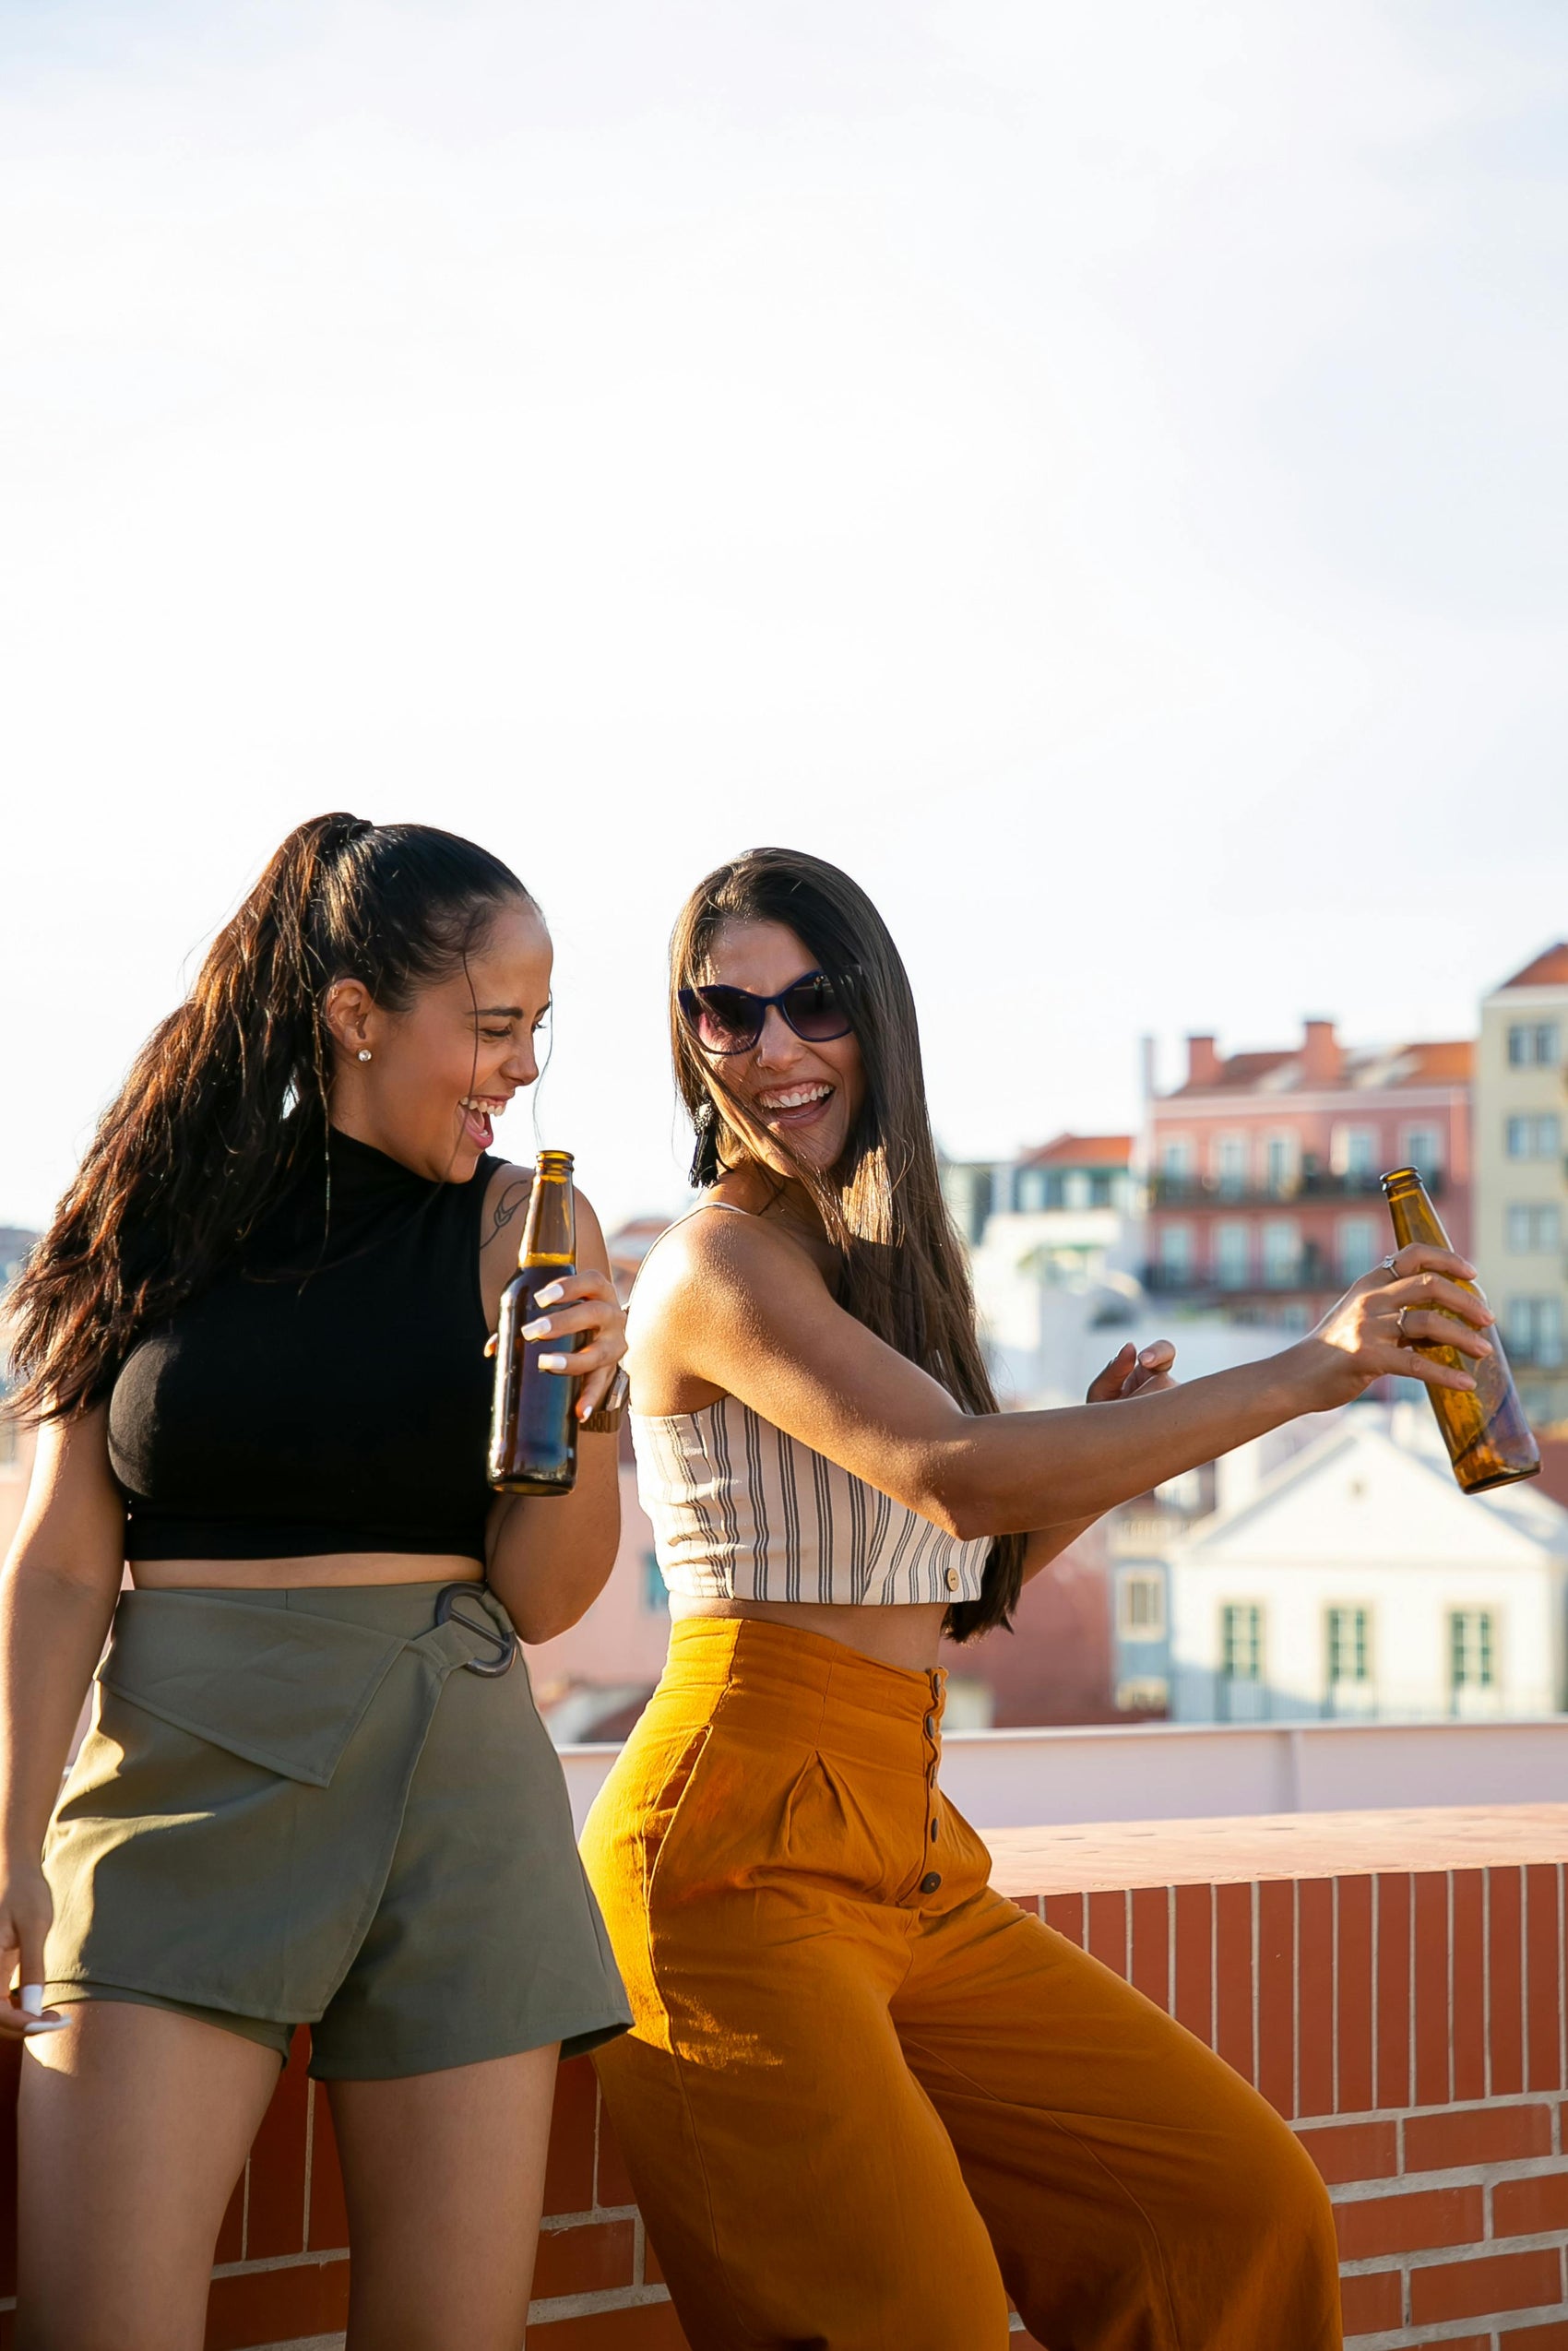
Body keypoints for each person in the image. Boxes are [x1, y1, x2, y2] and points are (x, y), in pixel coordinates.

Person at [580, 846, 1495, 2351]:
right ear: (690, 1039)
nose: (775, 1045)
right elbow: (955, 1474)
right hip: (731, 1855)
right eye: (727, 1012)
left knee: (1236, 2210)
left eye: (814, 1000)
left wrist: (1091, 1457)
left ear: (878, 1014)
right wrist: (1310, 1369)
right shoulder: (713, 1265)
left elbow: (945, 1586)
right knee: (921, 2321)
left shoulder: (873, 1268)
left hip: (904, 1841)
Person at [0, 814, 633, 2351]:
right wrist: (8, 1839)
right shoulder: (145, 1214)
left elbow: (546, 1598)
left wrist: (597, 1407)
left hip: (458, 1798)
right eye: (493, 1027)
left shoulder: (528, 1227)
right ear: (356, 1014)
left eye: (538, 1029)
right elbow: (65, 1559)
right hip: (173, 1799)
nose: (522, 1068)